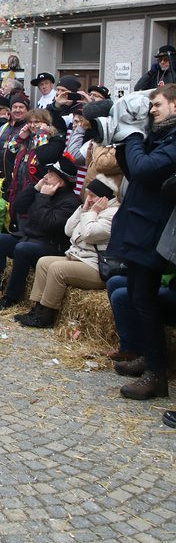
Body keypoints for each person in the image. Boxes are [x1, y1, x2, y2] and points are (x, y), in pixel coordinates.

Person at [107, 84, 176, 401]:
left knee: (145, 301)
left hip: (153, 231)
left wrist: (133, 134)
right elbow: (133, 170)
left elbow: (145, 169)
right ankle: (147, 359)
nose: (151, 109)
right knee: (136, 296)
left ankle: (156, 375)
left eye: (157, 104)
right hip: (140, 227)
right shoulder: (160, 135)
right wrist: (123, 139)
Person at [0, 155, 81, 314]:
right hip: (31, 237)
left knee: (23, 249)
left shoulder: (71, 202)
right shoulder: (44, 191)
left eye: (50, 174)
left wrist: (43, 197)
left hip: (50, 245)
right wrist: (34, 189)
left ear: (62, 181)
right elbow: (19, 206)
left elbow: (48, 224)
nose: (45, 176)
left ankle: (11, 297)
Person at [15, 175, 121, 328]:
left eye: (93, 195)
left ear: (104, 198)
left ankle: (46, 315)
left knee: (57, 269)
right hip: (78, 258)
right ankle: (37, 309)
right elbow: (68, 230)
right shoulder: (90, 209)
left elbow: (89, 234)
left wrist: (92, 213)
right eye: (88, 195)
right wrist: (83, 209)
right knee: (44, 262)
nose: (89, 198)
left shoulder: (112, 214)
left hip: (95, 265)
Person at [0, 94, 30, 189]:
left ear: (27, 110)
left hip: (18, 182)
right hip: (0, 180)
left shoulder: (29, 128)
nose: (17, 110)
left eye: (21, 107)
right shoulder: (3, 127)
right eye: (15, 107)